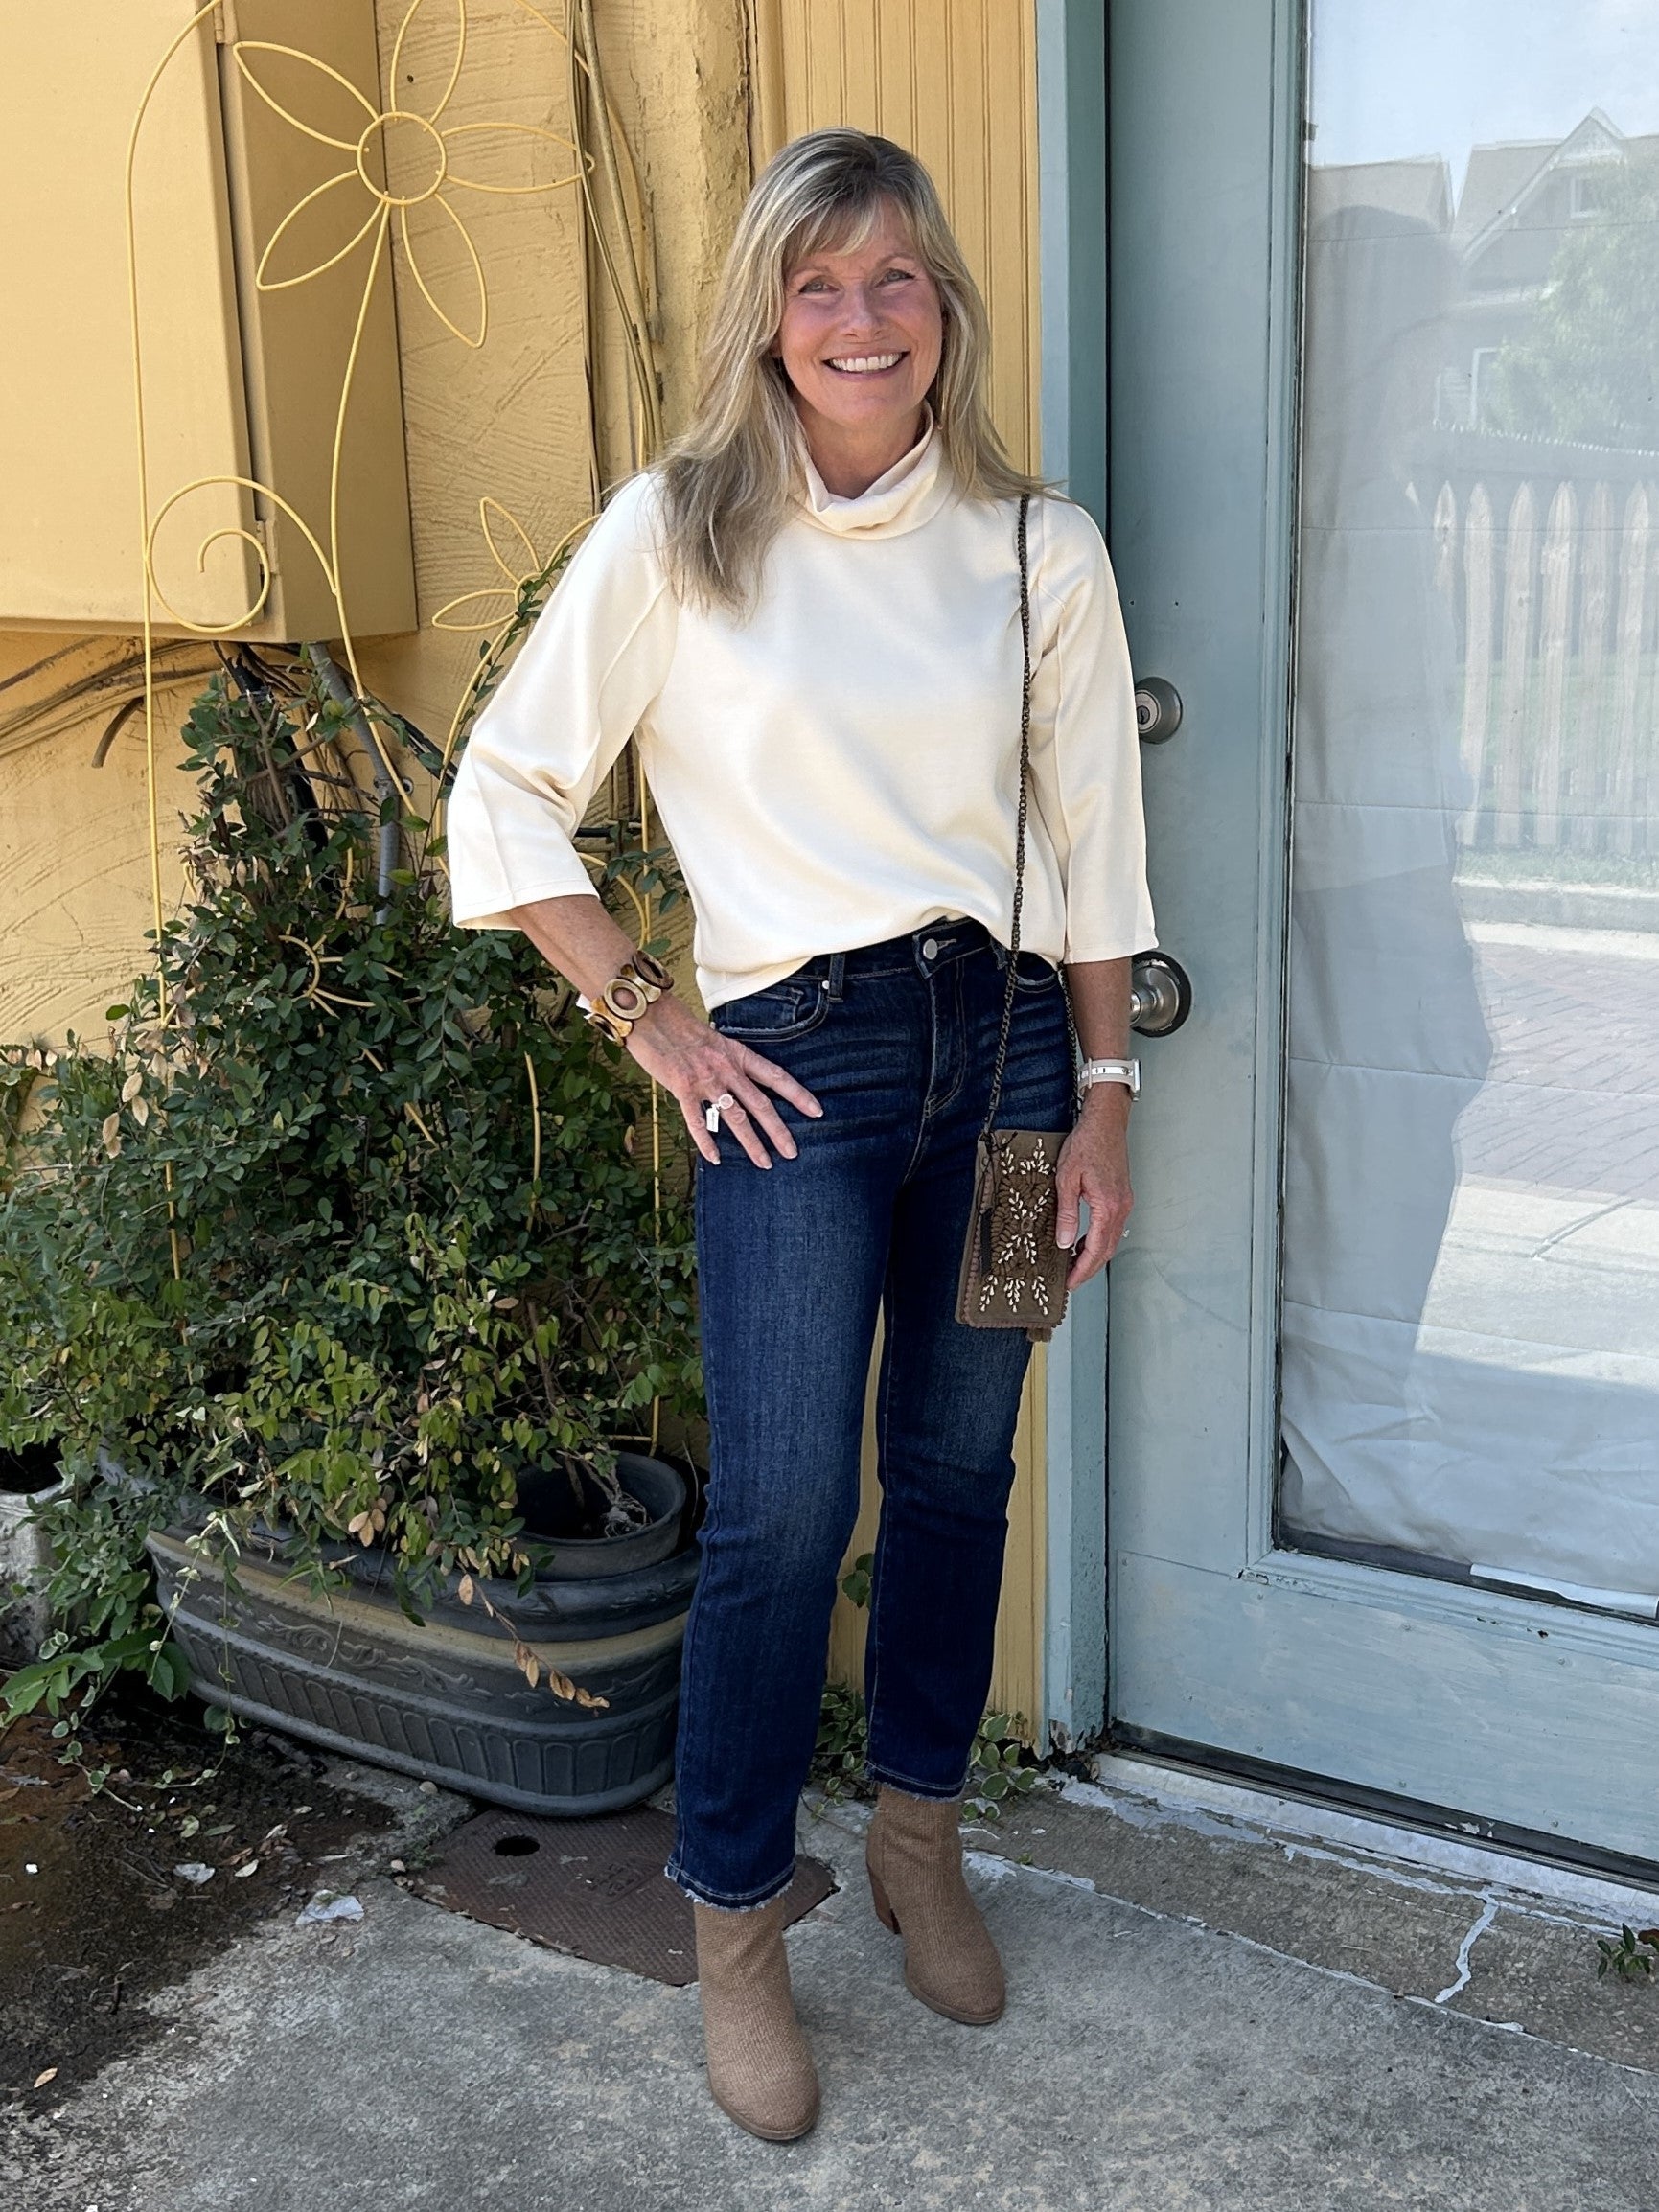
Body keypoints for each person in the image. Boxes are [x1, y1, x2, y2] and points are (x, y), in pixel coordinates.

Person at [447, 127, 1153, 2143]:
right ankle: (737, 1925)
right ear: (770, 312)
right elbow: (502, 794)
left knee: (955, 1466)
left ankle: (919, 1835)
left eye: (895, 281)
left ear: (944, 313)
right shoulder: (678, 535)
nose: (859, 319)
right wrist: (644, 1012)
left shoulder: (1041, 548)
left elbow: (1096, 848)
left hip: (1016, 1056)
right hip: (794, 1063)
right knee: (775, 1513)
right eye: (819, 283)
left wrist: (1105, 1100)